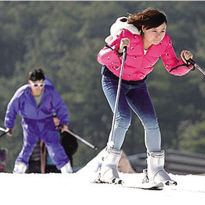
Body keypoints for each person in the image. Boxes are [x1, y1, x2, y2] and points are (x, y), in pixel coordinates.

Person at [96, 8, 194, 185]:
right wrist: (118, 49)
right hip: (114, 79)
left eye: (162, 30)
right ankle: (108, 168)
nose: (159, 35)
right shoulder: (127, 36)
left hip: (137, 84)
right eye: (154, 31)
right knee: (123, 119)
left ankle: (155, 170)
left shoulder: (164, 42)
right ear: (143, 28)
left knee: (151, 122)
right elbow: (101, 57)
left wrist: (186, 65)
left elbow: (172, 67)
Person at [4, 68, 73, 173]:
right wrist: (9, 125)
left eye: (41, 85)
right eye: (35, 85)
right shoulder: (23, 93)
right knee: (28, 145)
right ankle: (19, 169)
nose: (38, 88)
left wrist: (64, 122)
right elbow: (12, 108)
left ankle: (66, 169)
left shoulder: (49, 92)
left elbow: (60, 107)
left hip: (47, 122)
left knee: (54, 145)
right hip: (30, 123)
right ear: (30, 83)